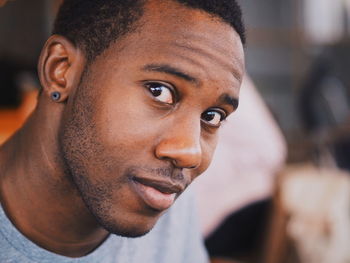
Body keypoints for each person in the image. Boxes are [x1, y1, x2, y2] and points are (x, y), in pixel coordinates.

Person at [0, 0, 245, 262]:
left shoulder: (160, 194)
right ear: (61, 70)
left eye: (212, 116)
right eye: (159, 91)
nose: (190, 153)